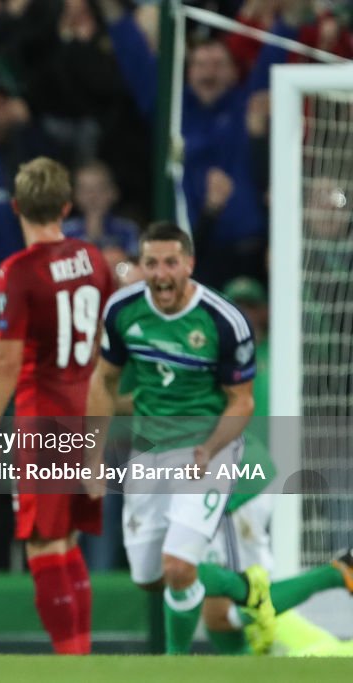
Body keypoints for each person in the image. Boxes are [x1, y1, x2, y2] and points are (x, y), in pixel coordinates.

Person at [85, 221, 275, 654]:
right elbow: (105, 381)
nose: (161, 273)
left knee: (178, 566)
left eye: (171, 262)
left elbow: (241, 401)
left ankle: (173, 666)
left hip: (206, 452)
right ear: (141, 266)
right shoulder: (122, 310)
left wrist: (209, 449)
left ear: (189, 264)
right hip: (149, 451)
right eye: (151, 263)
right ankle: (246, 588)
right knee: (149, 577)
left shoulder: (224, 321)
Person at [0, 156, 116, 654]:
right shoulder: (93, 258)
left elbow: (6, 360)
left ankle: (69, 660)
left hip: (43, 419)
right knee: (68, 540)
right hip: (89, 411)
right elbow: (108, 341)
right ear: (66, 205)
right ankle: (80, 655)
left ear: (15, 206)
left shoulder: (18, 271)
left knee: (42, 542)